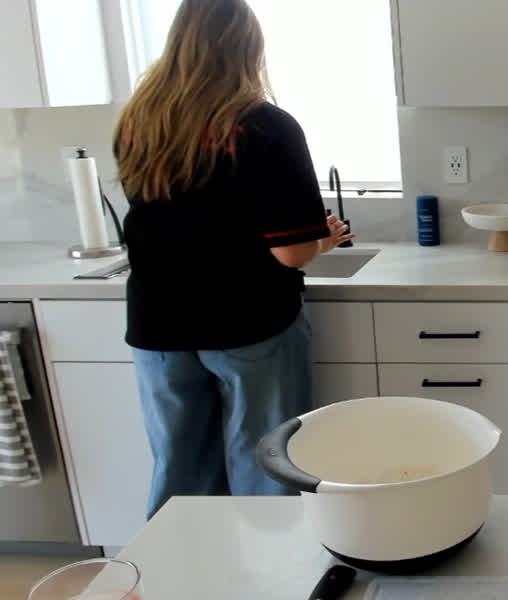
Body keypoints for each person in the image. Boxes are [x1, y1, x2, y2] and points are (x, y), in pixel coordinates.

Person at [113, 0, 353, 519]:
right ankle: (269, 567)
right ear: (249, 48)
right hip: (247, 322)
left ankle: (178, 566)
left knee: (179, 467)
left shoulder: (139, 121)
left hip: (159, 324)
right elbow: (291, 252)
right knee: (265, 464)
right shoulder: (265, 126)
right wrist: (323, 242)